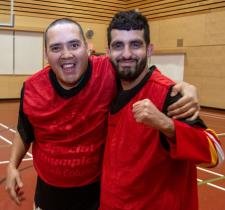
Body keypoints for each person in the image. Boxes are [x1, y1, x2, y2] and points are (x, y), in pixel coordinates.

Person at [5, 18, 200, 210]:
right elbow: (25, 129)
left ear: (87, 48)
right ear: (46, 54)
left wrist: (180, 88)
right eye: (56, 48)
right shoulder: (32, 88)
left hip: (96, 192)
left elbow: (142, 74)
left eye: (74, 45)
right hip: (49, 191)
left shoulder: (108, 71)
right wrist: (13, 165)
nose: (66, 54)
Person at [100, 10, 224, 210]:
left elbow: (217, 155)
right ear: (108, 52)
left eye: (135, 44)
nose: (126, 54)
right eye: (118, 46)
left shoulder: (169, 95)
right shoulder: (108, 87)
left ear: (149, 50)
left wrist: (168, 126)